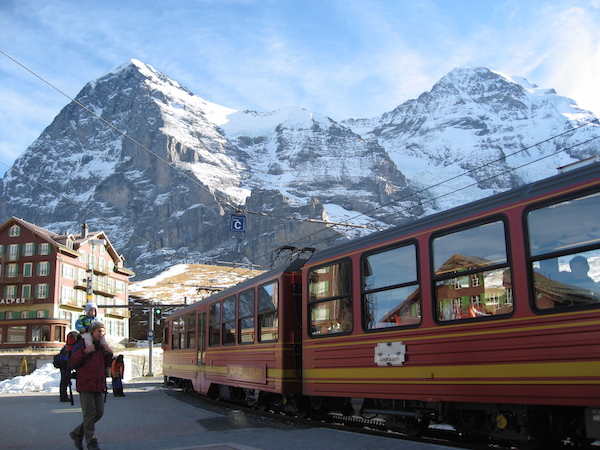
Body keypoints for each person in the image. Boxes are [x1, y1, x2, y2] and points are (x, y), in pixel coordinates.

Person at [69, 321, 113, 450]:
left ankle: (77, 433)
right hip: (86, 384)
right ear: (92, 332)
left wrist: (109, 355)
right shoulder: (82, 344)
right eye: (99, 331)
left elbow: (105, 365)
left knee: (98, 413)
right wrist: (85, 353)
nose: (101, 333)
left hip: (98, 384)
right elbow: (74, 362)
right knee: (89, 414)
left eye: (103, 331)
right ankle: (91, 442)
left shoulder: (102, 346)